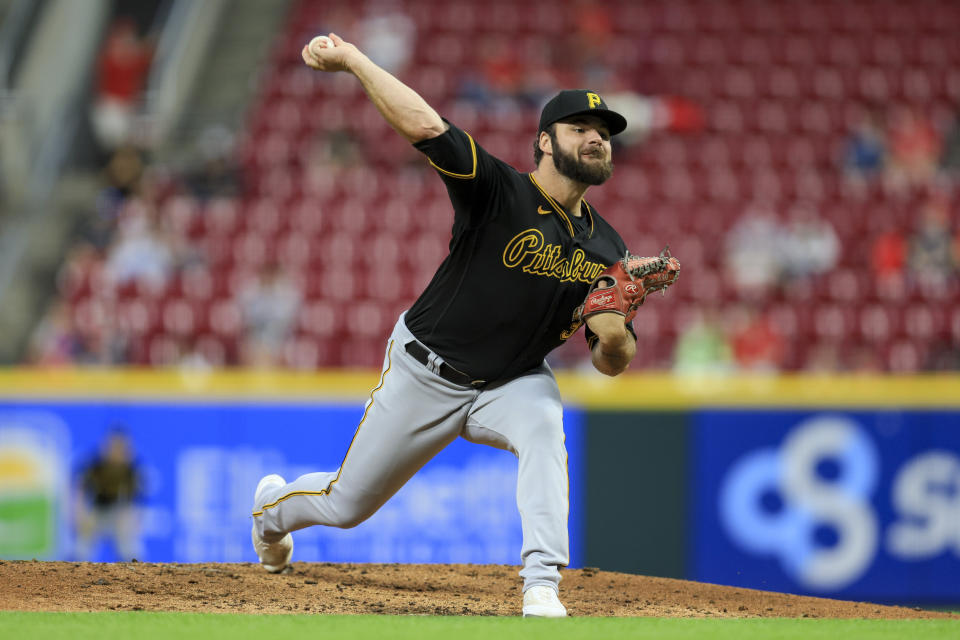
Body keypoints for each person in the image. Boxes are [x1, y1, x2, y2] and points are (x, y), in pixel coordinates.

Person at [251, 33, 643, 619]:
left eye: (604, 132)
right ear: (544, 140)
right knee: (346, 504)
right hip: (426, 369)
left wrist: (614, 336)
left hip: (511, 381)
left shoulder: (610, 246)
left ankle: (541, 583)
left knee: (543, 426)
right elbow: (427, 126)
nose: (596, 138)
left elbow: (610, 360)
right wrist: (356, 61)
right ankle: (271, 513)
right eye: (580, 127)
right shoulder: (499, 190)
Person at [74, 428, 143, 561]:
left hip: (119, 512)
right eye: (113, 447)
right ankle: (72, 574)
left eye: (121, 448)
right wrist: (80, 514)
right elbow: (80, 489)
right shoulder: (95, 466)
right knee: (81, 549)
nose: (117, 452)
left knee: (131, 549)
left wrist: (133, 521)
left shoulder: (131, 469)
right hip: (97, 510)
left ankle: (136, 575)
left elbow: (136, 501)